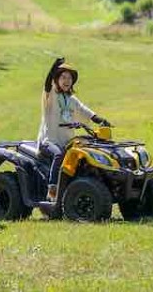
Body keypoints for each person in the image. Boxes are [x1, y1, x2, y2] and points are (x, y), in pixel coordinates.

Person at [37, 57, 111, 202]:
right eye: (63, 77)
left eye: (69, 78)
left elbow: (86, 111)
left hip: (67, 142)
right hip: (49, 142)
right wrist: (53, 68)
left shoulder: (71, 99)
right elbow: (47, 84)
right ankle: (52, 188)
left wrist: (100, 120)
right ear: (56, 79)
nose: (66, 80)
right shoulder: (50, 95)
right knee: (58, 155)